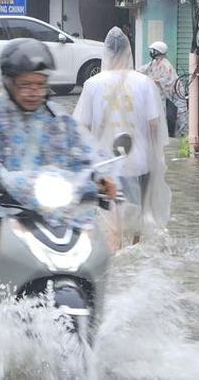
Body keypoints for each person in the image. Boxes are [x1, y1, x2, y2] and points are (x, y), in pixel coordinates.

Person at [0, 37, 115, 271]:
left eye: (40, 85)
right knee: (4, 253)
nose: (34, 92)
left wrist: (100, 180)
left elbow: (85, 159)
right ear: (9, 82)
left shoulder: (59, 121)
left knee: (93, 255)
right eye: (25, 85)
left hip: (57, 216)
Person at [73, 27, 171, 243]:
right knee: (139, 227)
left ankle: (117, 263)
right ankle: (136, 258)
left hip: (106, 167)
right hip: (140, 164)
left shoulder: (92, 84)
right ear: (129, 52)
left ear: (105, 52)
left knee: (111, 227)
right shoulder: (144, 83)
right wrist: (156, 160)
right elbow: (154, 125)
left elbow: (81, 129)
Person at [138, 41, 187, 137]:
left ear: (158, 51)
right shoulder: (154, 62)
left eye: (153, 50)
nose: (151, 52)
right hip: (164, 96)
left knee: (174, 117)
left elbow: (166, 80)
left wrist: (155, 80)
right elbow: (144, 69)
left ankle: (173, 135)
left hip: (173, 96)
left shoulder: (165, 65)